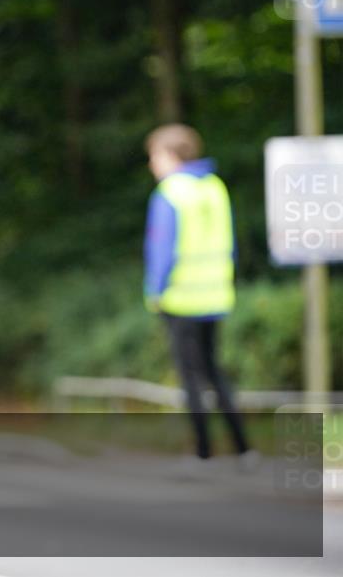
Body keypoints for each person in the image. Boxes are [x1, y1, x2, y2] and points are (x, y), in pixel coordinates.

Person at [143, 124, 255, 469]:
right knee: (215, 373)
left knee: (190, 378)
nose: (152, 164)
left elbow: (161, 250)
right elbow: (230, 244)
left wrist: (155, 293)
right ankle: (243, 449)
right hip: (216, 295)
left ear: (171, 156)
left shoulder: (171, 192)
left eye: (155, 156)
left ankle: (203, 452)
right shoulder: (214, 187)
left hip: (181, 299)